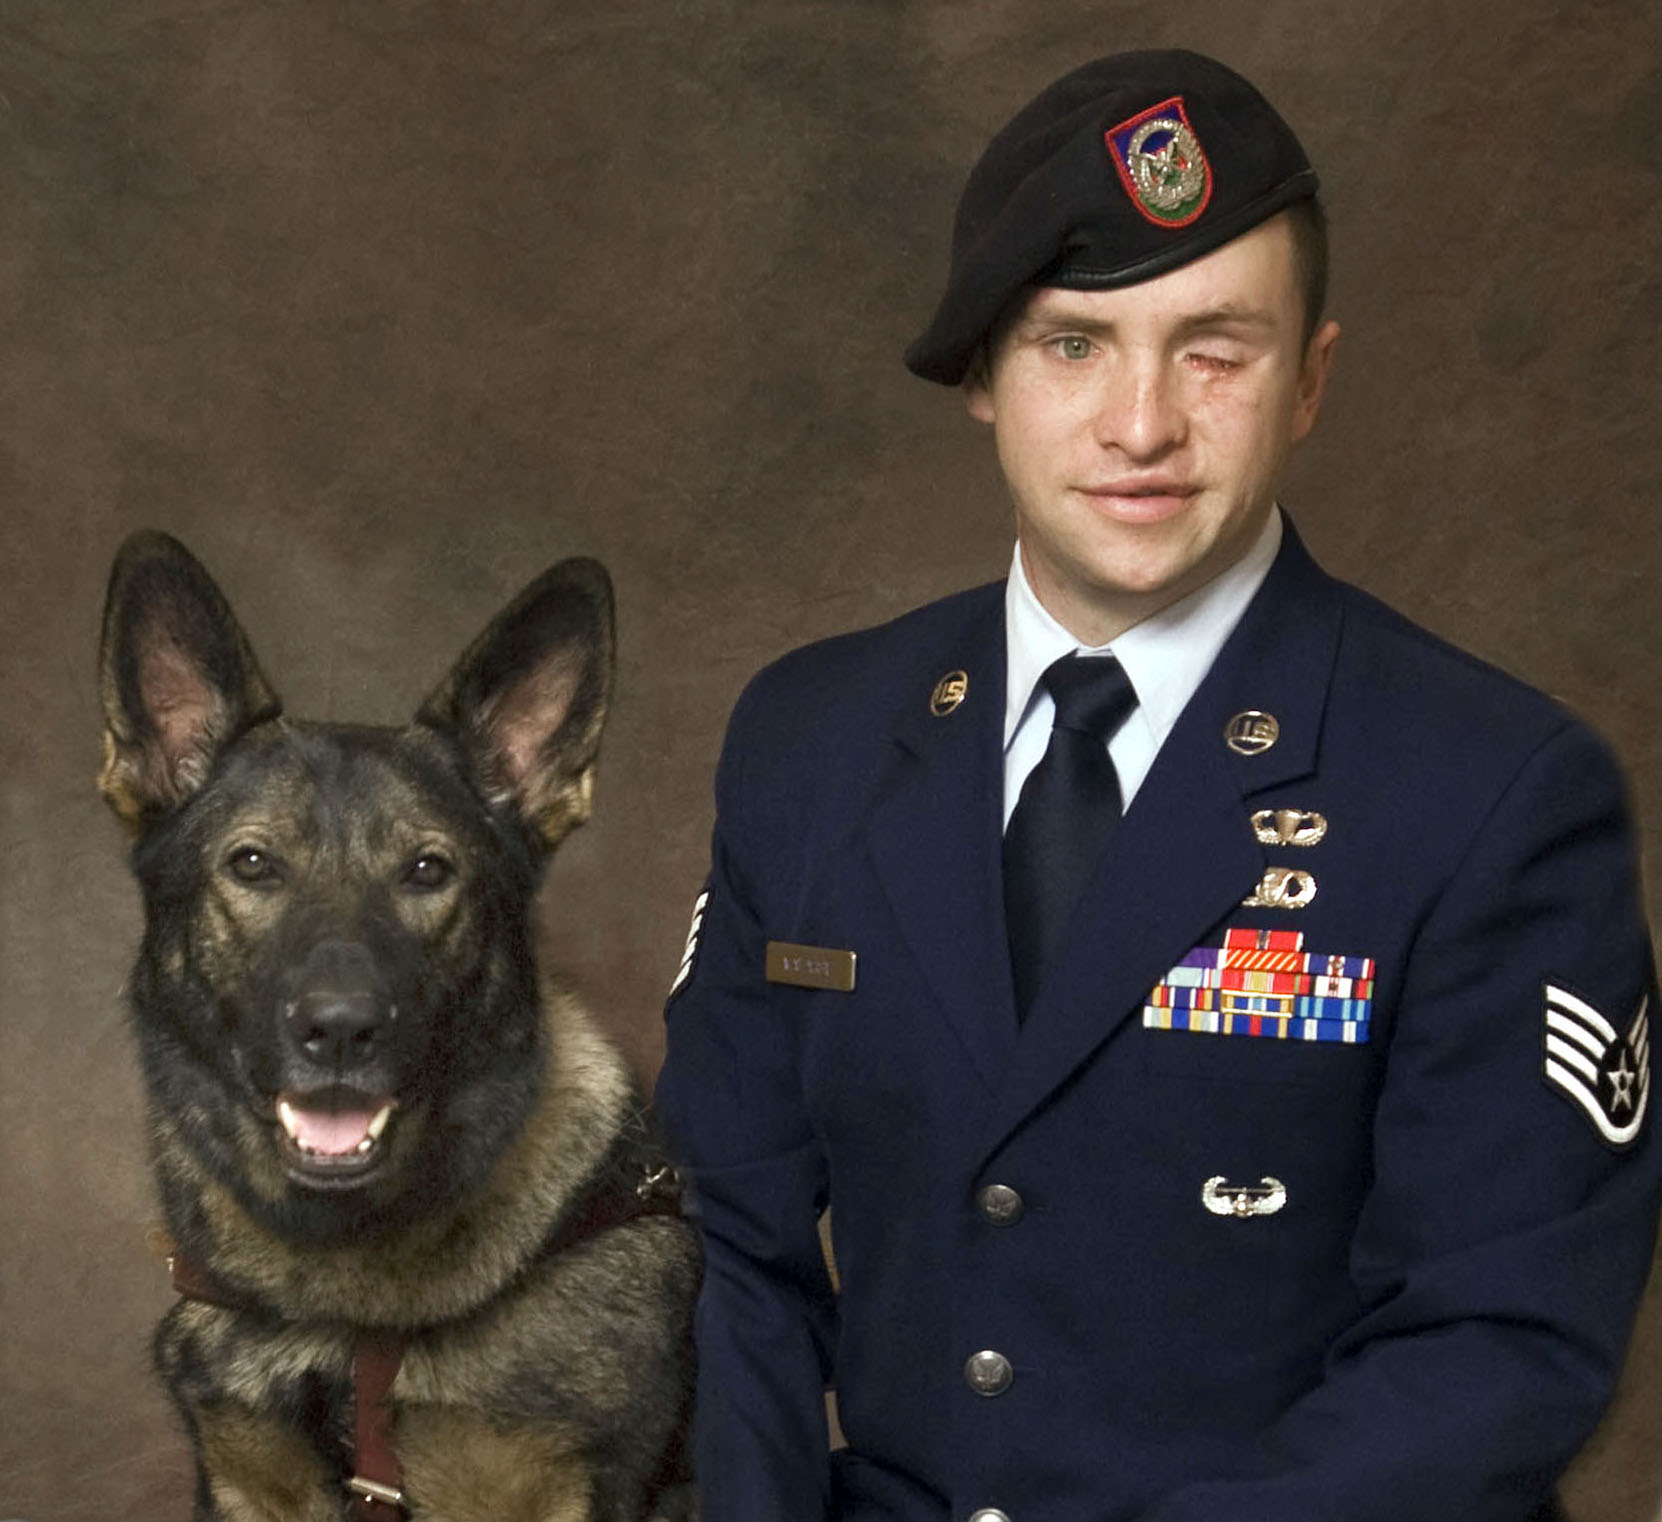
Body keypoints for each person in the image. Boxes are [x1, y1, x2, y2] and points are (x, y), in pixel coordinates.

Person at [655, 49, 1661, 1522]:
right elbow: (714, 1243)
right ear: (982, 379)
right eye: (1073, 343)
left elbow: (1494, 1346)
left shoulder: (1492, 791)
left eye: (1212, 348)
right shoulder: (809, 740)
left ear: (1308, 379)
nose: (1140, 423)